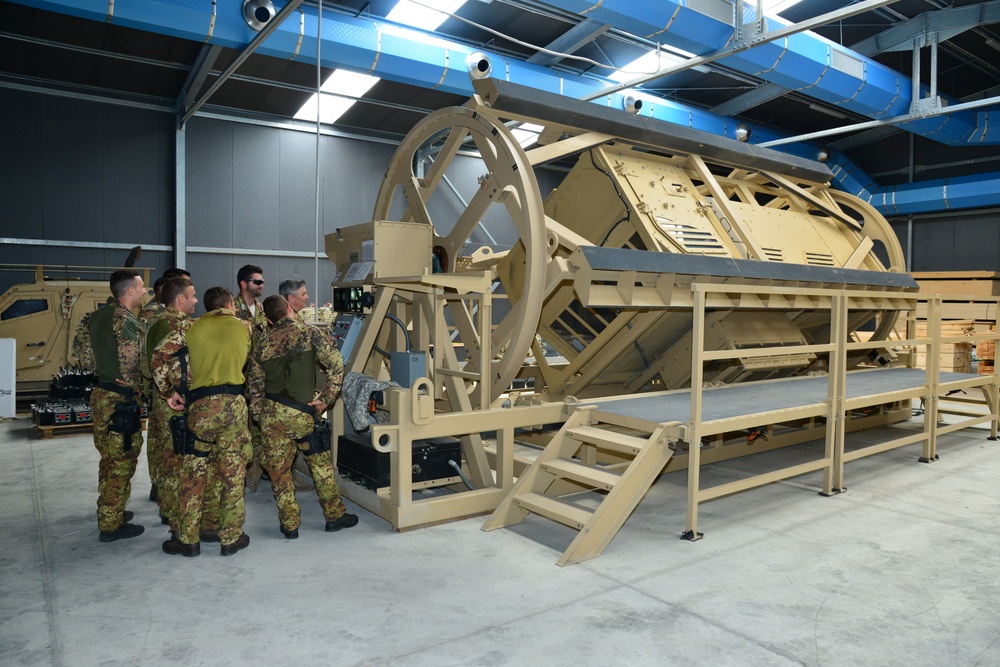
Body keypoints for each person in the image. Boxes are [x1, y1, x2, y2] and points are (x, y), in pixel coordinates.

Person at [246, 295, 358, 539]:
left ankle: (289, 525)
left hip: (272, 416)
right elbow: (337, 365)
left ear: (267, 318)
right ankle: (334, 516)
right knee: (321, 467)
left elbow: (254, 388)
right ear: (289, 308)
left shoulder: (261, 345)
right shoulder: (310, 333)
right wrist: (326, 399)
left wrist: (260, 415)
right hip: (304, 414)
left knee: (279, 472)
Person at [154, 287, 253, 558]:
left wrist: (169, 393)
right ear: (230, 304)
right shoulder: (245, 327)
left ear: (207, 308)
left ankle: (188, 540)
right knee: (232, 473)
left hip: (201, 407)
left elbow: (158, 357)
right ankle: (231, 538)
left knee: (193, 471)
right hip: (235, 406)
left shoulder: (190, 328)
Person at [86, 269, 147, 542]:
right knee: (122, 460)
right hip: (121, 398)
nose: (145, 291)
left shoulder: (96, 316)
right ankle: (111, 524)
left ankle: (110, 508)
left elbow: (84, 358)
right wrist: (136, 385)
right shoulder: (126, 320)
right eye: (142, 286)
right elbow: (131, 361)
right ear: (130, 290)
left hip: (100, 393)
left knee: (108, 458)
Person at [145, 277, 201, 538]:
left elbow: (146, 364)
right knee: (178, 459)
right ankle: (177, 515)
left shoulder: (152, 322)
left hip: (158, 399)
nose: (195, 301)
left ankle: (166, 509)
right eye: (192, 296)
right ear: (181, 300)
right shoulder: (181, 327)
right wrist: (171, 392)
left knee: (164, 456)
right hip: (174, 401)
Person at [234, 264, 268, 491]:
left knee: (258, 425)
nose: (261, 285)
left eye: (262, 281)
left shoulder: (262, 309)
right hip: (240, 377)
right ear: (244, 284)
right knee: (240, 428)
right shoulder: (232, 309)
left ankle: (258, 469)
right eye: (257, 282)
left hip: (260, 378)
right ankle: (243, 472)